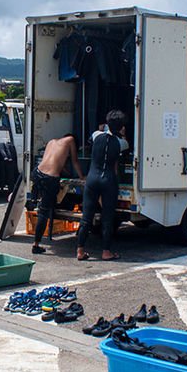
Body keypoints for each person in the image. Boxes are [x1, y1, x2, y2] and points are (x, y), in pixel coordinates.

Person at [76, 110, 126, 261]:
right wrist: (123, 134)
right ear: (121, 126)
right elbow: (124, 145)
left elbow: (93, 138)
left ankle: (80, 251)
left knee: (86, 217)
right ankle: (106, 252)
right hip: (109, 180)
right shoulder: (122, 143)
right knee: (107, 217)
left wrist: (102, 128)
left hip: (92, 178)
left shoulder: (96, 135)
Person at [31, 134, 84, 254]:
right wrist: (81, 177)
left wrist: (67, 173)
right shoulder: (71, 140)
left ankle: (34, 199)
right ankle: (36, 244)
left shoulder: (51, 141)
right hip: (50, 179)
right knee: (44, 213)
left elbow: (53, 162)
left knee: (42, 207)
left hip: (37, 173)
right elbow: (75, 161)